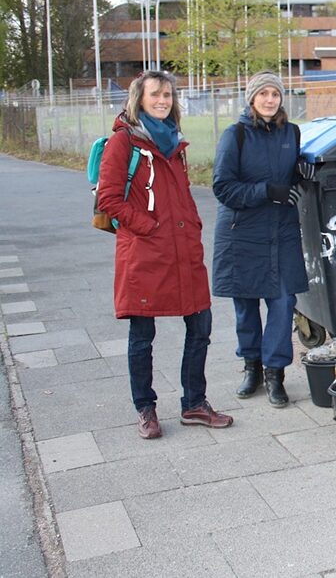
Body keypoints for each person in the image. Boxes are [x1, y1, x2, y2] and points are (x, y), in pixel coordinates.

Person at [97, 70, 233, 439]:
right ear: (139, 98)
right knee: (142, 334)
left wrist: (191, 226)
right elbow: (108, 199)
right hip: (145, 253)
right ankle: (146, 408)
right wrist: (150, 227)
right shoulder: (124, 143)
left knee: (200, 327)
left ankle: (194, 403)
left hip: (183, 251)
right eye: (155, 94)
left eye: (168, 95)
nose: (162, 100)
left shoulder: (175, 142)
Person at [212, 71, 310, 408]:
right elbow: (222, 187)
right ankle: (251, 366)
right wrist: (267, 191)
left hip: (281, 229)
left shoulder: (291, 133)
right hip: (243, 231)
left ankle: (275, 373)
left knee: (283, 303)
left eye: (276, 94)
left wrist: (302, 174)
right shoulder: (235, 135)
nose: (270, 100)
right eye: (264, 93)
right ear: (251, 98)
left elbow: (291, 176)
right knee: (246, 305)